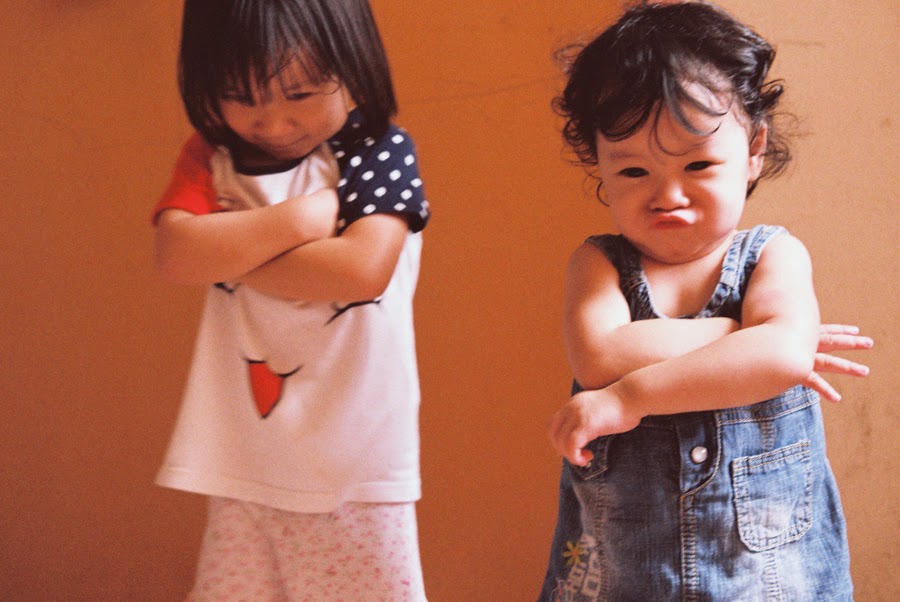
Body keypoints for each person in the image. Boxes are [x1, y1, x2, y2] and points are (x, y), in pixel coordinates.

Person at [540, 3, 871, 600]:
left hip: (767, 580)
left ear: (754, 151)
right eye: (634, 171)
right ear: (598, 160)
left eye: (697, 164)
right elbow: (600, 356)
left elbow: (779, 356)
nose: (668, 195)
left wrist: (629, 397)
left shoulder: (774, 254)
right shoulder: (598, 263)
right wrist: (743, 334)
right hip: (629, 579)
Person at [152, 1, 429, 599]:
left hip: (357, 464)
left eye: (300, 94)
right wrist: (300, 220)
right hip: (243, 457)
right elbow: (176, 255)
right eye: (241, 97)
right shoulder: (211, 155)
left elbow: (360, 271)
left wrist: (231, 250)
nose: (274, 124)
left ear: (352, 67)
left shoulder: (377, 149)